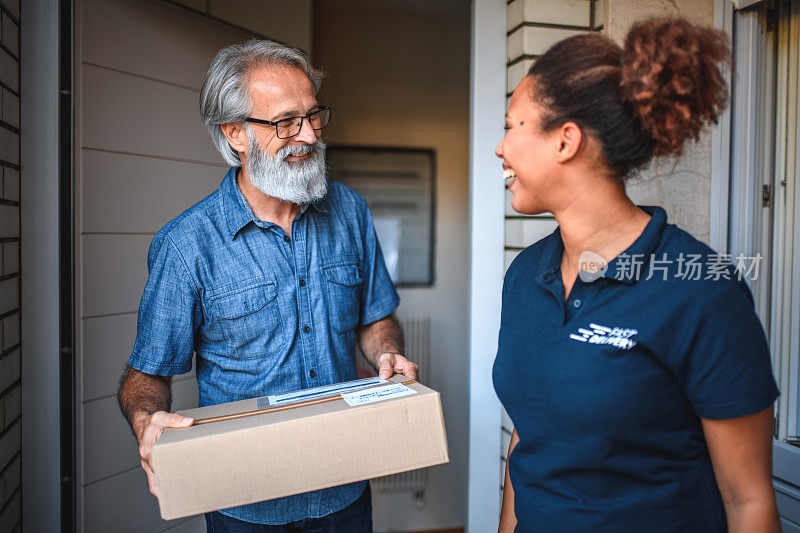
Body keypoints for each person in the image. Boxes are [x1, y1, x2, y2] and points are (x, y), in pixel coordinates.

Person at [116, 39, 418, 533]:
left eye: (313, 115)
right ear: (235, 133)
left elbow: (374, 318)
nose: (307, 135)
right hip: (245, 505)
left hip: (344, 489)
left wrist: (386, 353)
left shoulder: (351, 212)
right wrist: (147, 422)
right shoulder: (186, 245)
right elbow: (145, 375)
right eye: (285, 122)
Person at [493, 18, 780, 532]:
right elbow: (529, 433)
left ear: (566, 141)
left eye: (512, 125)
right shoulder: (523, 277)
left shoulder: (702, 290)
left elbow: (748, 501)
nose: (501, 147)